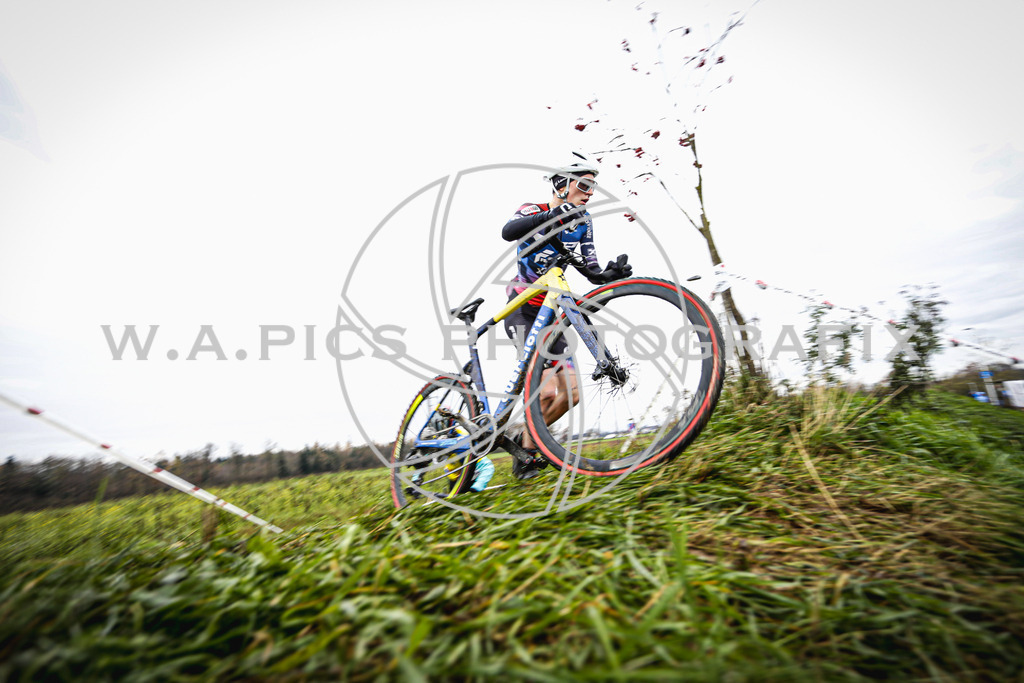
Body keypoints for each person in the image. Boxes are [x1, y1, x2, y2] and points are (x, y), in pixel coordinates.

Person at [500, 152, 633, 479]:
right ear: (561, 185)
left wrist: (609, 276)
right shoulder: (535, 209)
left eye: (593, 187)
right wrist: (552, 216)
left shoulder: (583, 222)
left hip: (554, 314)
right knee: (545, 392)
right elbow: (509, 230)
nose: (590, 192)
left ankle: (526, 450)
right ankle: (525, 443)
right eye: (584, 184)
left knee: (571, 394)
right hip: (523, 310)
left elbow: (590, 270)